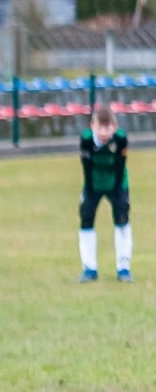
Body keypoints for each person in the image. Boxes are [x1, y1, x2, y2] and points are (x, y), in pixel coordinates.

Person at [77, 105, 132, 282]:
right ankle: (89, 268)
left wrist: (117, 189)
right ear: (92, 125)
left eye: (107, 128)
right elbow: (85, 166)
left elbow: (120, 165)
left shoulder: (120, 139)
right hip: (93, 183)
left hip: (116, 182)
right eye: (100, 127)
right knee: (86, 218)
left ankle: (123, 268)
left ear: (114, 128)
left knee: (122, 218)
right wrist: (90, 188)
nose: (103, 132)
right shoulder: (86, 139)